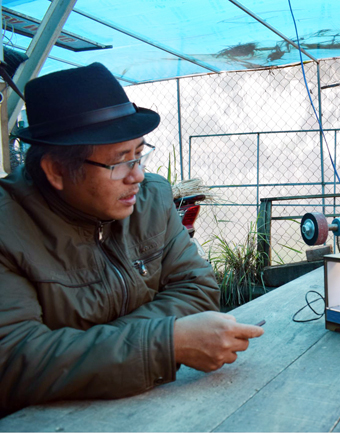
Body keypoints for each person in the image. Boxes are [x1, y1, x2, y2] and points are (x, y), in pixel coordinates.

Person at [0, 63, 264, 415]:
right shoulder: (8, 229)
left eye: (140, 153)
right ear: (56, 170)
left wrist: (106, 349)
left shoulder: (152, 199)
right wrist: (165, 342)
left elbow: (198, 289)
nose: (138, 175)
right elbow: (16, 361)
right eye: (120, 162)